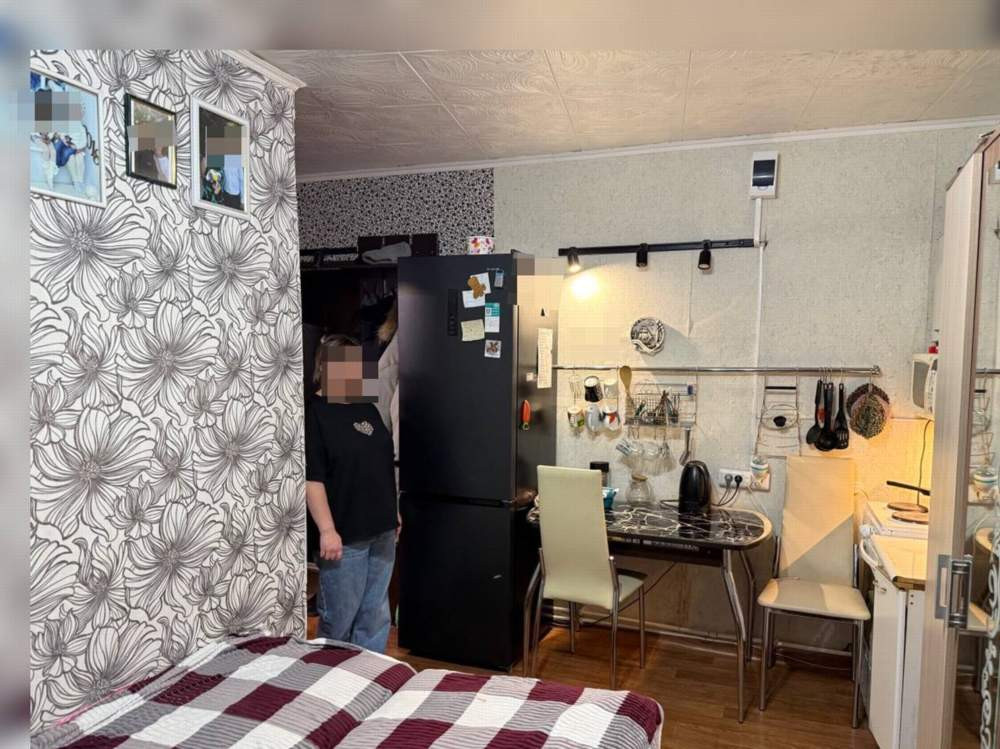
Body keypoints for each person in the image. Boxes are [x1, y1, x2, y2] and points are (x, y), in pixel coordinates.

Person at [305, 335, 399, 652]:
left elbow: (382, 462)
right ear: (325, 367)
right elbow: (312, 479)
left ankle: (370, 674)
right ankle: (330, 676)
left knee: (375, 614)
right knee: (340, 617)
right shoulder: (314, 413)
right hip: (345, 533)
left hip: (381, 527)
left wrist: (394, 511)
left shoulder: (366, 407)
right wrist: (327, 530)